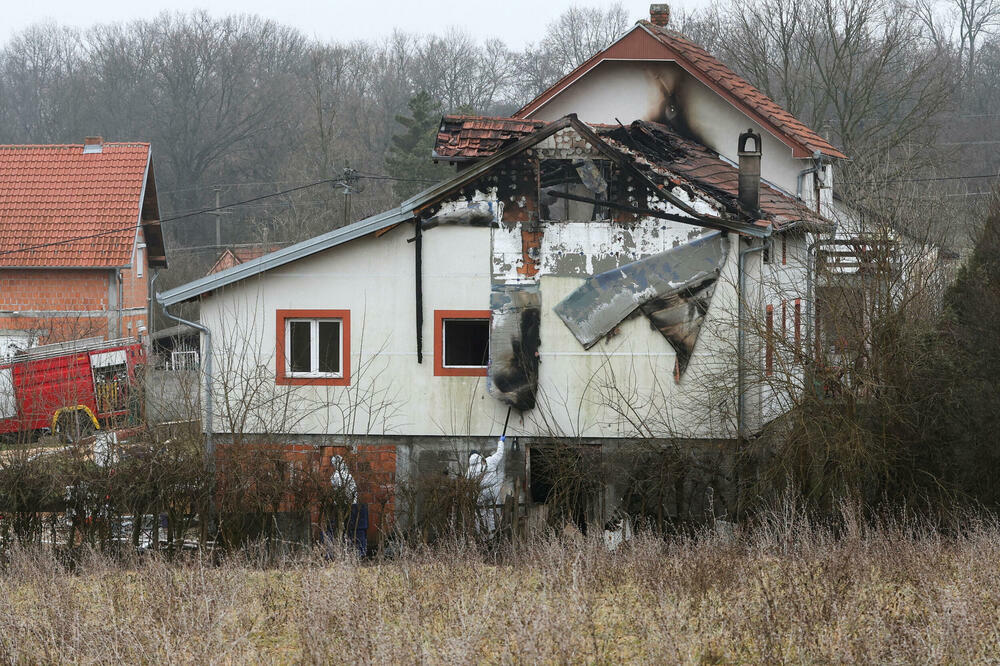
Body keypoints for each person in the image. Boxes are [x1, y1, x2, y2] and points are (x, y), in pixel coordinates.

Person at [328, 454, 367, 556]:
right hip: (352, 505)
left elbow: (337, 493)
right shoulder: (349, 475)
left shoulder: (335, 476)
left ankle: (341, 552)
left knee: (343, 529)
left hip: (343, 506)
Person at [467, 437, 505, 534]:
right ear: (479, 455)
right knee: (492, 513)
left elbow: (467, 485)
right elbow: (499, 454)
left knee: (480, 513)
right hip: (493, 490)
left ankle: (481, 534)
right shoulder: (489, 461)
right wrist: (501, 442)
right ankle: (492, 534)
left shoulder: (469, 470)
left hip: (480, 493)